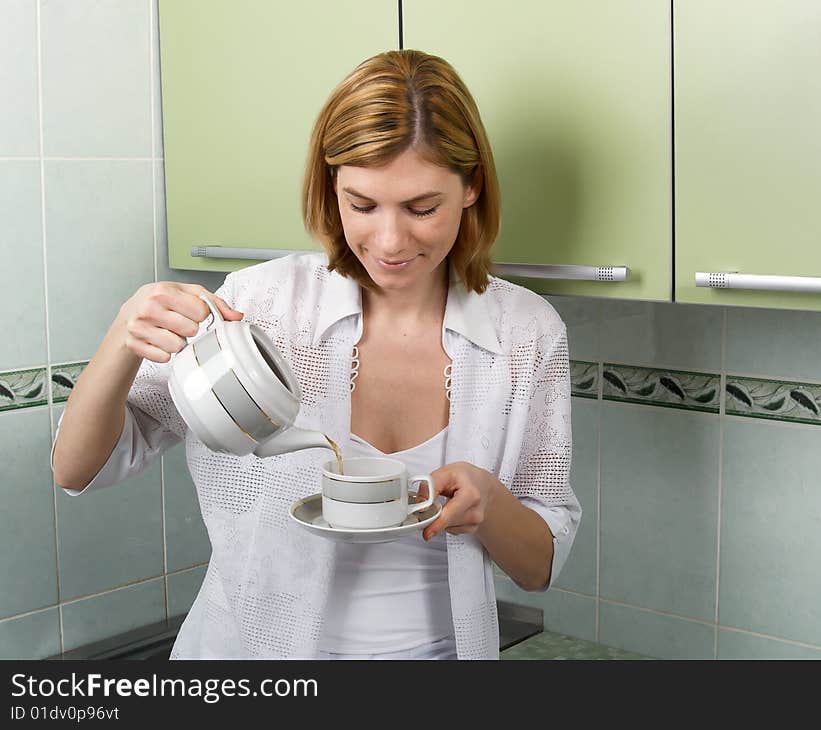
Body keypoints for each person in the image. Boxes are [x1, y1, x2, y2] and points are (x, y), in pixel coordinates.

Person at [51, 49, 582, 660]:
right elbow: (78, 470)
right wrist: (123, 338)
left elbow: (538, 566)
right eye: (362, 205)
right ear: (332, 189)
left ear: (471, 190)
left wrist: (490, 505)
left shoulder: (526, 334)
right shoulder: (261, 304)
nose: (389, 242)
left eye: (422, 208)